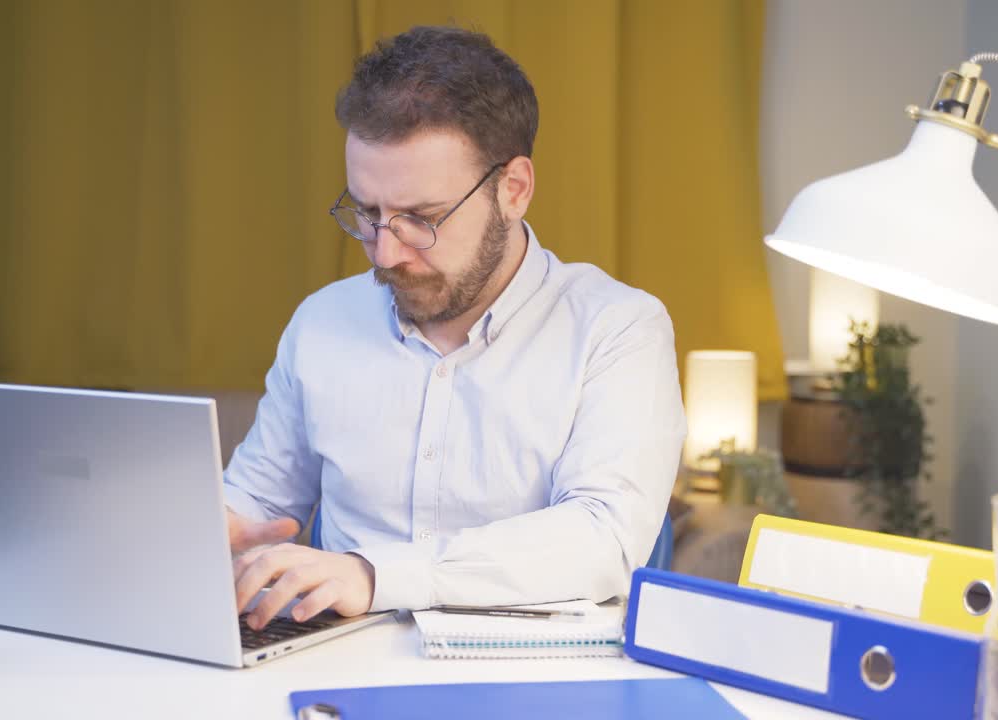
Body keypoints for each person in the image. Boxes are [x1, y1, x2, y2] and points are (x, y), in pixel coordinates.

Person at [225, 25, 686, 631]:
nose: (384, 253)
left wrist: (373, 575)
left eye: (421, 218)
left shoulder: (618, 328)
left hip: (528, 685)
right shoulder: (322, 323)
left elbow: (601, 538)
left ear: (513, 190)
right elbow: (259, 504)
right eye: (367, 213)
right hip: (325, 663)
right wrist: (216, 526)